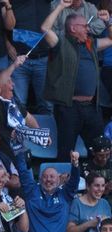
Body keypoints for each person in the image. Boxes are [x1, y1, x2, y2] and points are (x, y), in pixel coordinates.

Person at [42, 0, 112, 162]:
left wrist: (108, 21)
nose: (88, 28)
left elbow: (111, 40)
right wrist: (60, 6)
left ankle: (99, 183)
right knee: (66, 152)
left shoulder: (91, 44)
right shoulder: (60, 43)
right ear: (73, 28)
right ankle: (65, 184)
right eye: (84, 26)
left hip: (92, 108)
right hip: (69, 109)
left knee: (100, 150)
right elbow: (45, 29)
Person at [0, 56, 40, 159]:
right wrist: (14, 65)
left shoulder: (14, 102)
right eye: (9, 81)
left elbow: (28, 118)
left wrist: (40, 134)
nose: (13, 84)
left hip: (19, 152)